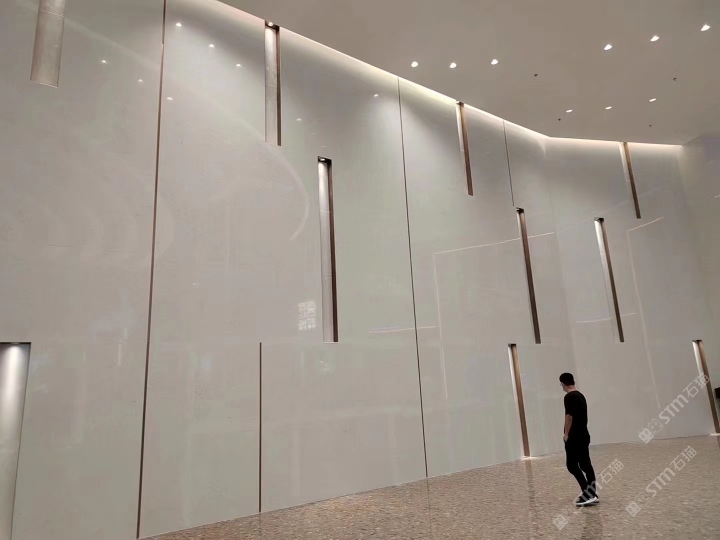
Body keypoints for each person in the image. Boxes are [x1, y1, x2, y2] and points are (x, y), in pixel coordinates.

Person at [560, 372, 598, 507]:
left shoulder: (569, 397)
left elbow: (569, 416)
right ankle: (592, 493)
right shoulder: (580, 395)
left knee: (572, 465)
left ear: (563, 384)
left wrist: (566, 434)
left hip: (574, 436)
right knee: (585, 465)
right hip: (584, 435)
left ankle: (588, 494)